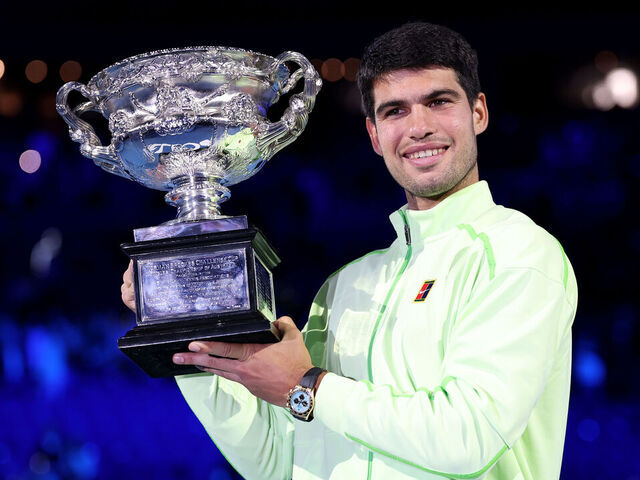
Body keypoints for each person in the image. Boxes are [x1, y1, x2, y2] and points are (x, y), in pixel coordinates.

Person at [122, 22, 577, 479]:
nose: (419, 127)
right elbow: (276, 463)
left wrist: (308, 385)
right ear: (375, 135)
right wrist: (187, 326)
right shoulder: (344, 287)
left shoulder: (518, 252)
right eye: (395, 111)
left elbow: (468, 437)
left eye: (439, 102)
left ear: (478, 112)